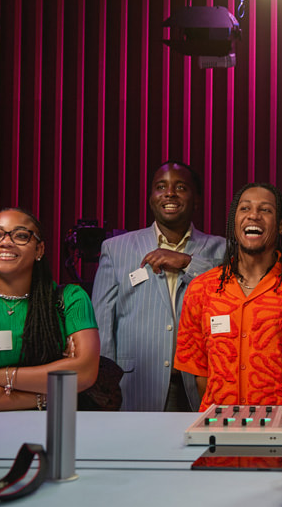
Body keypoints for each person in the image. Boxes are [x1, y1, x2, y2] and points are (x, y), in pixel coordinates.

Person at [175, 182, 282, 409]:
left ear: (281, 225)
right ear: (234, 223)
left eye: (265, 210)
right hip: (220, 430)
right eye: (244, 209)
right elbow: (201, 375)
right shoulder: (201, 289)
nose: (253, 216)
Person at [91, 161, 225, 411]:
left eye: (181, 187)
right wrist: (106, 385)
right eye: (160, 187)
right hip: (135, 382)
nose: (170, 193)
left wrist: (187, 263)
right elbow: (103, 323)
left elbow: (233, 287)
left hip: (202, 381)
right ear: (151, 198)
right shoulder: (116, 248)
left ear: (196, 200)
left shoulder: (222, 249)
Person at [0, 208, 100, 411]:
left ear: (39, 250)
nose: (6, 241)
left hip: (59, 424)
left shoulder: (70, 299)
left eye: (21, 236)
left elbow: (84, 373)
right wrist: (49, 397)